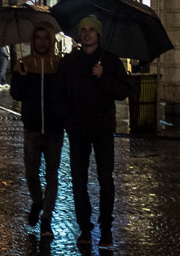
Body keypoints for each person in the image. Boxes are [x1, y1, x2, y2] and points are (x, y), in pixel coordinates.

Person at [56, 15, 130, 249]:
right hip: (78, 129)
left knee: (106, 179)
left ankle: (106, 227)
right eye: (83, 30)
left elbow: (122, 91)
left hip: (102, 128)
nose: (87, 34)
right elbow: (61, 93)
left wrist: (103, 76)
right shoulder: (70, 61)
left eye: (91, 30)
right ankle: (85, 227)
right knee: (78, 180)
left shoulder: (109, 60)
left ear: (98, 34)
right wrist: (68, 119)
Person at [10, 23, 63, 239]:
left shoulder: (59, 64)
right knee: (31, 173)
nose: (42, 41)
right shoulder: (24, 63)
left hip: (54, 129)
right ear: (33, 41)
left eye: (46, 38)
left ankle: (46, 219)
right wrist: (21, 76)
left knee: (52, 176)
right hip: (32, 128)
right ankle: (37, 201)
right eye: (38, 38)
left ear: (51, 40)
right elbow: (16, 94)